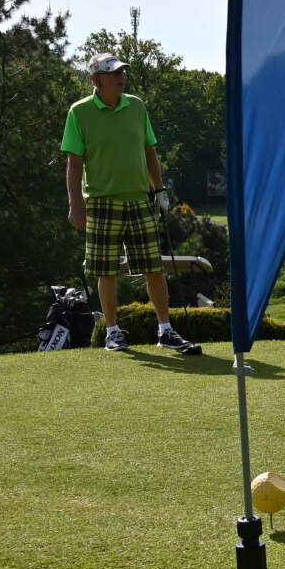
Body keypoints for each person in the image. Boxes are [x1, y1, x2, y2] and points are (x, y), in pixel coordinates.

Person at [60, 52, 201, 355]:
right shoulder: (80, 112)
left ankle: (165, 330)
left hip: (139, 200)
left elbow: (149, 151)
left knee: (154, 267)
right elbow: (74, 163)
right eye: (113, 73)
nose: (120, 77)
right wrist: (76, 205)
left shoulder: (136, 106)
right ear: (96, 79)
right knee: (106, 271)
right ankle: (112, 332)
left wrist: (159, 190)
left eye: (122, 72)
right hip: (101, 203)